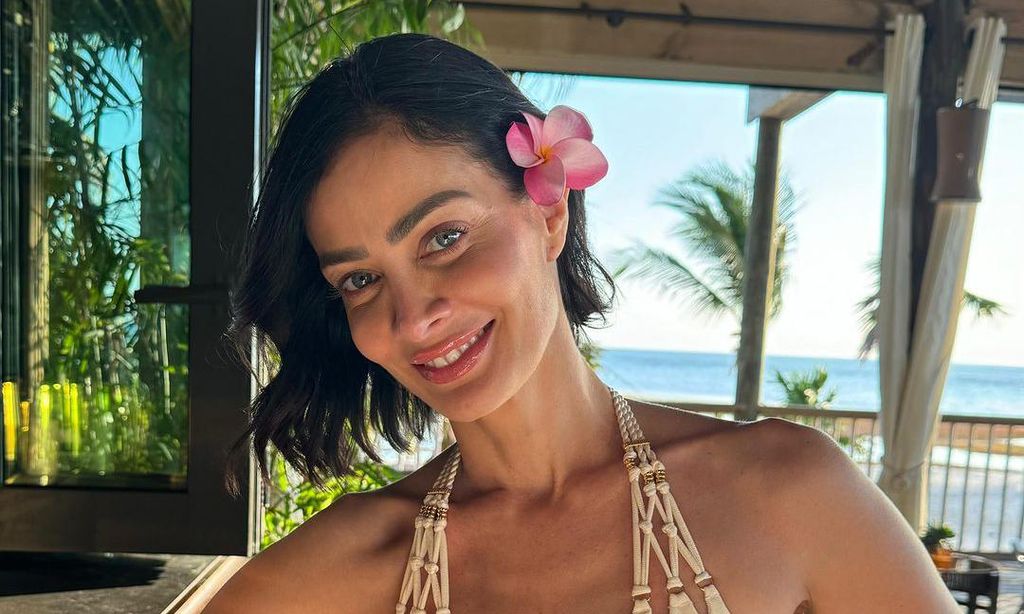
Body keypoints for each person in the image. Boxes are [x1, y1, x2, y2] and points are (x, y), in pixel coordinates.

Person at [202, 33, 959, 613]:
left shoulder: (789, 496)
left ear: (549, 212)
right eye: (361, 279)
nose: (415, 317)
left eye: (444, 237)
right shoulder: (341, 572)